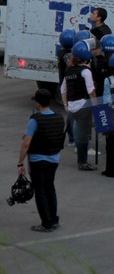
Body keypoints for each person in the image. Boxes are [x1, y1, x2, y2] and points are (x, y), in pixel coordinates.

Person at [17, 88, 64, 232]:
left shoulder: (35, 120)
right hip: (54, 159)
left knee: (40, 191)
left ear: (38, 103)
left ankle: (46, 223)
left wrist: (20, 162)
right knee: (50, 188)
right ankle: (54, 219)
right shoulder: (59, 117)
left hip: (38, 160)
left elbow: (26, 144)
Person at [61, 40, 97, 171]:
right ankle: (82, 162)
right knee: (84, 136)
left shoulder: (68, 70)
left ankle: (82, 160)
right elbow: (91, 91)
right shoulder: (86, 72)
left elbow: (63, 89)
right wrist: (96, 106)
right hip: (83, 106)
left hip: (71, 107)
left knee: (78, 133)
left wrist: (65, 104)